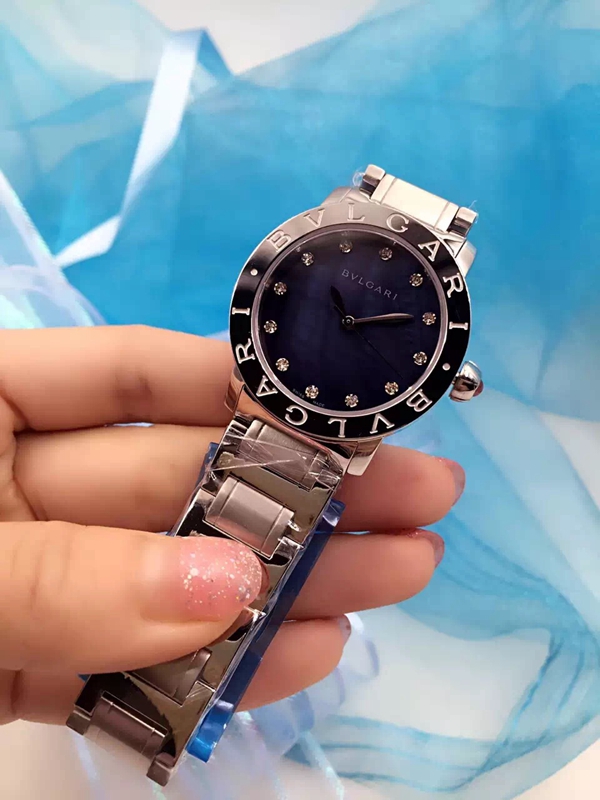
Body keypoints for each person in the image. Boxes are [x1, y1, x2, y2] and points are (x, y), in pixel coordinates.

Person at [0, 325, 464, 727]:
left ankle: (147, 726)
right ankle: (140, 723)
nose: (349, 324)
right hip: (271, 415)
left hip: (295, 430)